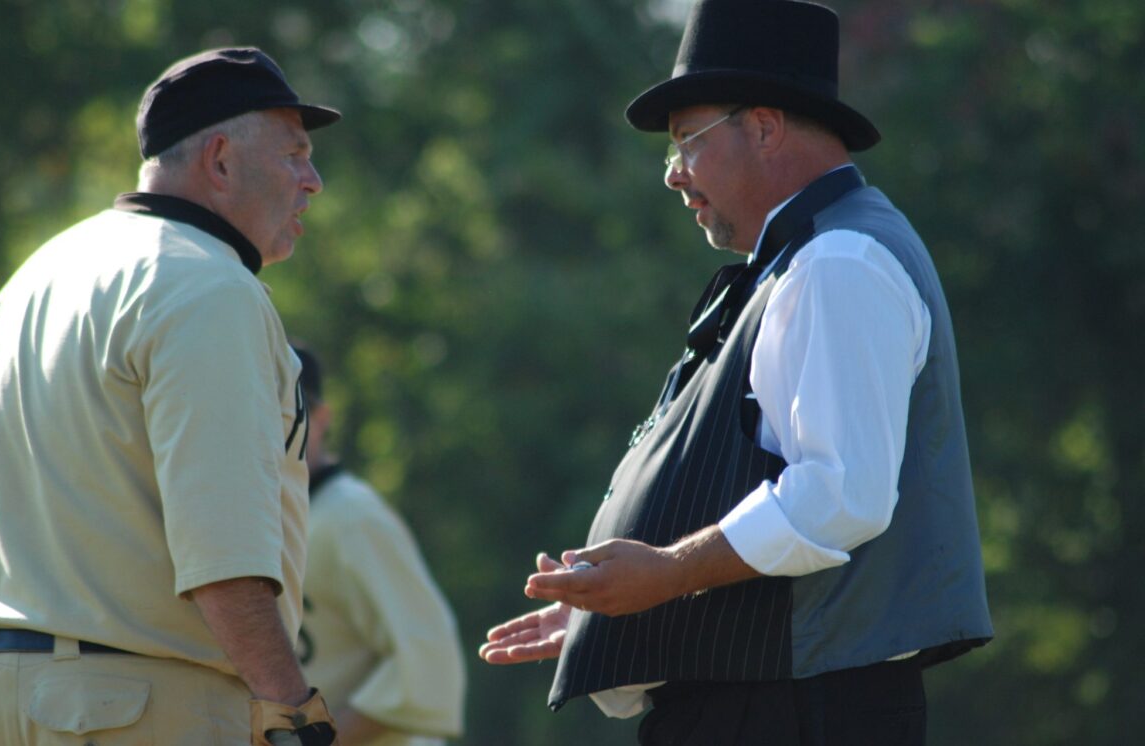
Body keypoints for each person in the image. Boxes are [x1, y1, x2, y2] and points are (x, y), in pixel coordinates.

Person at [480, 1, 994, 744]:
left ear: (764, 125)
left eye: (686, 139)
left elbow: (837, 496)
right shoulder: (814, 256)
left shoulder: (839, 262)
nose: (672, 174)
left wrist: (663, 574)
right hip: (779, 703)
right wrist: (619, 609)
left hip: (800, 710)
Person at [0, 47, 341, 745]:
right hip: (138, 706)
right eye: (294, 154)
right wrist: (292, 710)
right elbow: (223, 552)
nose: (312, 181)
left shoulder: (42, 273)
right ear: (220, 160)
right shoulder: (209, 287)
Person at [292, 345, 466, 746]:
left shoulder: (351, 517)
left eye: (287, 412)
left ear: (320, 417)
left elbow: (426, 663)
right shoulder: (260, 523)